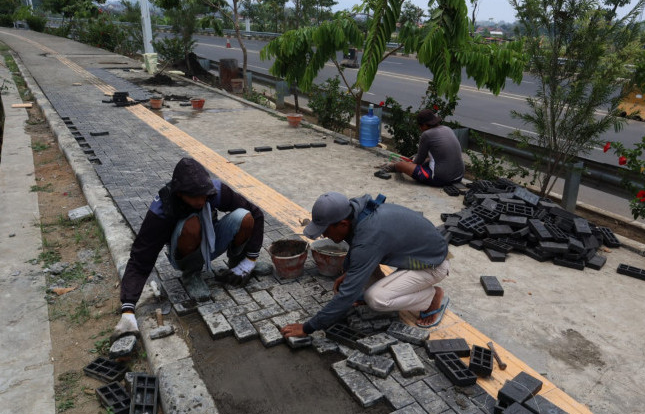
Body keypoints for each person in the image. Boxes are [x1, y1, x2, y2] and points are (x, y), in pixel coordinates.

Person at [112, 157, 266, 340]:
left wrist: (250, 260)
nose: (201, 200)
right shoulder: (162, 207)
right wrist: (128, 309)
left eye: (204, 195)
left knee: (246, 217)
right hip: (184, 252)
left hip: (211, 240)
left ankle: (239, 263)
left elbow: (257, 214)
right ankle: (191, 274)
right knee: (192, 224)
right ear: (180, 193)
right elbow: (140, 258)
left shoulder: (214, 191)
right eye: (194, 196)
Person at [280, 192, 450, 338]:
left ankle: (431, 299)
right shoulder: (356, 212)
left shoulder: (369, 236)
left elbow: (347, 294)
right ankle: (400, 290)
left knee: (375, 299)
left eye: (325, 230)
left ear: (343, 224)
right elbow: (357, 251)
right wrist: (349, 273)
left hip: (432, 264)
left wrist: (308, 327)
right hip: (413, 254)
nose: (324, 235)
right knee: (360, 282)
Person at [381, 109, 465, 186]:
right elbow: (439, 155)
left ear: (424, 125)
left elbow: (418, 161)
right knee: (426, 161)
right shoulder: (447, 129)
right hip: (458, 177)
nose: (420, 129)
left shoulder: (427, 134)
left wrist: (408, 165)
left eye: (420, 126)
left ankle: (391, 166)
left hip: (441, 179)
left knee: (401, 165)